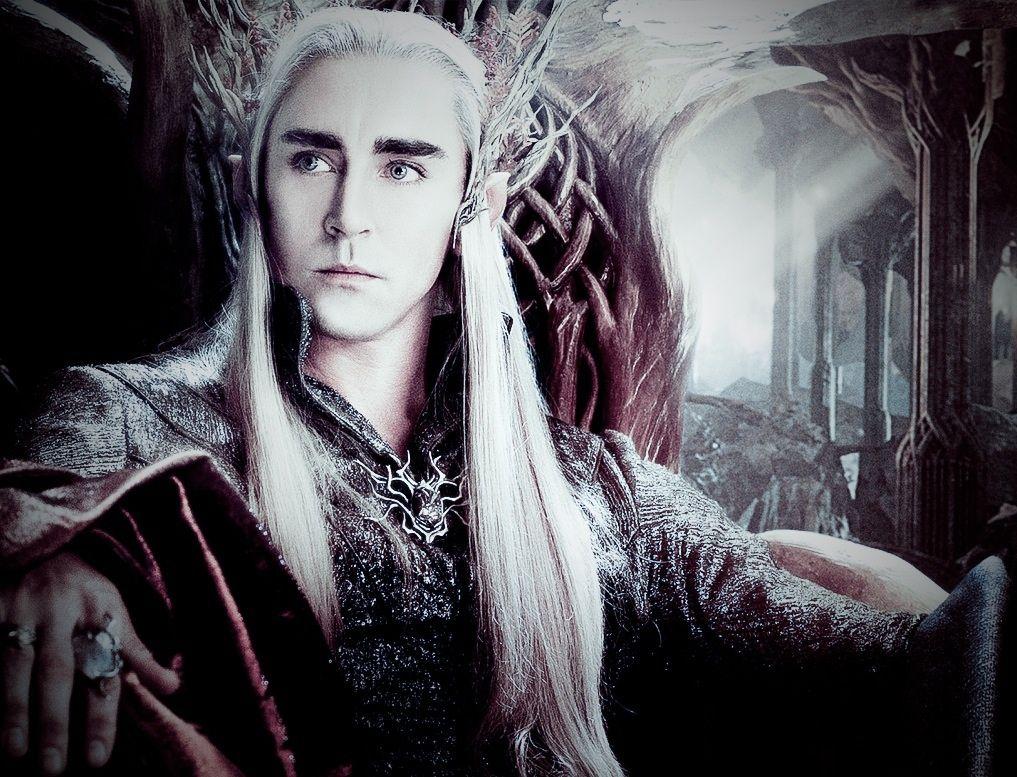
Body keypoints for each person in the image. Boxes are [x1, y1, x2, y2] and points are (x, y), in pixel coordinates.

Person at [1, 6, 927, 776]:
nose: (348, 215)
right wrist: (48, 562)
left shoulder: (596, 490)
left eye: (402, 167)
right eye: (312, 159)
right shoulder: (129, 418)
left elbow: (892, 665)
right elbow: (34, 502)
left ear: (468, 204)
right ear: (257, 186)